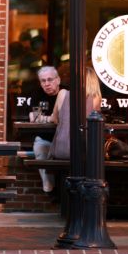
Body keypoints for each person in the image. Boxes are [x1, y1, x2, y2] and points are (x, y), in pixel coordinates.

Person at [32, 66, 101, 196]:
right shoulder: (96, 98)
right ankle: (79, 198)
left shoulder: (63, 93)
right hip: (83, 150)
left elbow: (54, 119)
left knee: (44, 150)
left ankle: (56, 193)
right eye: (43, 81)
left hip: (62, 149)